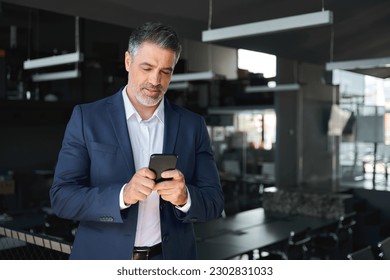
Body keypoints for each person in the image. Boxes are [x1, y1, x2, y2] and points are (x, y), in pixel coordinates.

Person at [50, 22, 224, 260]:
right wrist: (122, 195)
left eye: (166, 71)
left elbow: (214, 202)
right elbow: (62, 198)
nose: (156, 80)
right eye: (147, 67)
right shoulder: (87, 118)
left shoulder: (192, 125)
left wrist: (186, 198)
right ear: (128, 61)